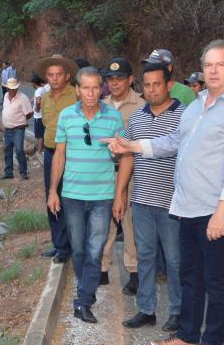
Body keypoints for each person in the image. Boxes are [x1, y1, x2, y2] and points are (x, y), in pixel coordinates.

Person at [107, 40, 224, 345]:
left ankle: (213, 342)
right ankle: (188, 333)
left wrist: (223, 211)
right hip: (187, 206)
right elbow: (174, 142)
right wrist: (133, 147)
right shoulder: (199, 103)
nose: (214, 70)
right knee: (190, 274)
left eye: (221, 65)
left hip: (216, 210)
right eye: (209, 65)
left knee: (217, 280)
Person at [47, 67, 124, 323]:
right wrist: (52, 192)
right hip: (72, 195)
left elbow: (124, 156)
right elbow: (59, 155)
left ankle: (83, 300)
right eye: (85, 88)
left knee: (95, 249)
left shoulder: (114, 118)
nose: (91, 93)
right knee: (79, 249)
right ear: (77, 90)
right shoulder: (66, 116)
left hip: (103, 195)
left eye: (95, 88)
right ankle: (84, 293)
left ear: (101, 89)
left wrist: (120, 192)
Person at [118, 62, 184, 333]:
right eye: (147, 85)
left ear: (169, 84)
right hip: (142, 200)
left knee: (175, 260)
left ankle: (179, 312)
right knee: (145, 257)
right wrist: (120, 194)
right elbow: (127, 157)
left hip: (174, 204)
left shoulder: (185, 116)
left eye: (157, 84)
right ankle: (146, 310)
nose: (152, 89)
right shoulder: (136, 118)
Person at [99, 57, 145, 289]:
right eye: (110, 79)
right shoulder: (102, 104)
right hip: (106, 172)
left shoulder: (141, 105)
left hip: (132, 171)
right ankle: (102, 267)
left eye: (119, 78)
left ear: (130, 79)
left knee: (128, 221)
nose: (114, 83)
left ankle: (134, 270)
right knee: (105, 220)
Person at [36, 55, 80, 263]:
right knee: (52, 197)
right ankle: (60, 245)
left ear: (68, 76)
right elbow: (45, 123)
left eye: (59, 75)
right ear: (46, 77)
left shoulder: (77, 95)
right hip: (51, 152)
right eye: (51, 75)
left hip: (72, 154)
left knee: (71, 199)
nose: (54, 79)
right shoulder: (44, 97)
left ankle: (75, 243)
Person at [0, 77, 33, 180]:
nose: (11, 90)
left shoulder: (23, 98)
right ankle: (8, 172)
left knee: (19, 150)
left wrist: (21, 120)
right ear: (7, 88)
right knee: (7, 150)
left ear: (16, 88)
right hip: (7, 129)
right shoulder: (5, 96)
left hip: (18, 129)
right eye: (10, 88)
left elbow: (29, 113)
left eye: (13, 88)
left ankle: (24, 172)